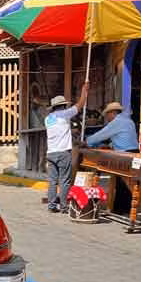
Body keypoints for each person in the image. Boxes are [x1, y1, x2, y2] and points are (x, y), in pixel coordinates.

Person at [45, 83, 88, 213]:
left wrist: (71, 133)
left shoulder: (48, 119)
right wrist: (84, 91)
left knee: (52, 181)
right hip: (63, 153)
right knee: (64, 181)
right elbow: (80, 105)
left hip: (51, 153)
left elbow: (61, 130)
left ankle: (52, 205)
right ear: (63, 106)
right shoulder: (64, 114)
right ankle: (64, 206)